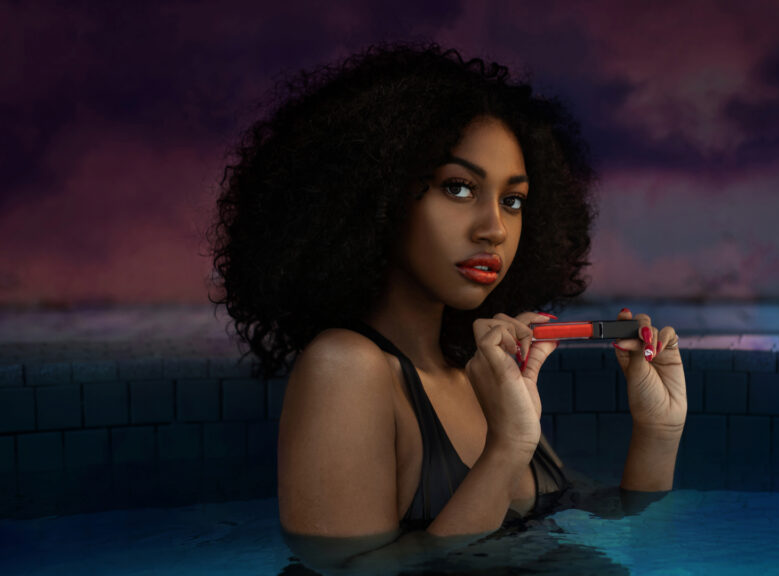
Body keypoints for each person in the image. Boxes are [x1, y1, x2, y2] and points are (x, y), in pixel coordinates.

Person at [207, 42, 686, 573]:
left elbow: (612, 529)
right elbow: (346, 573)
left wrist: (658, 431)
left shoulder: (481, 370)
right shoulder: (346, 368)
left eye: (513, 200)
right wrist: (505, 449)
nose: (495, 228)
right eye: (458, 188)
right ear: (377, 193)